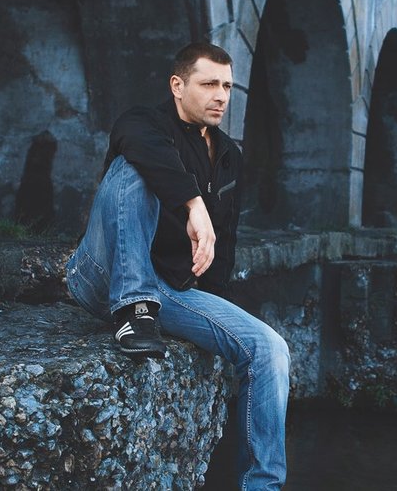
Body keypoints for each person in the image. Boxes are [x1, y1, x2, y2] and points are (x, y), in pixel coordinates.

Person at [66, 42, 290, 490]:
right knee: (134, 166)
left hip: (168, 289)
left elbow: (223, 245)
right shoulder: (143, 122)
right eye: (208, 84)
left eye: (227, 86)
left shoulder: (228, 155)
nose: (221, 96)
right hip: (104, 273)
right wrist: (193, 203)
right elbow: (138, 143)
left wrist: (215, 309)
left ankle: (262, 484)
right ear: (177, 85)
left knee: (270, 348)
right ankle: (132, 311)